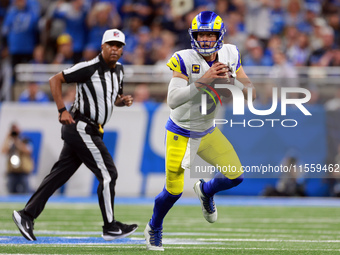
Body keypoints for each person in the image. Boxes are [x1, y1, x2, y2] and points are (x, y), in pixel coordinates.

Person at [144, 11, 256, 251]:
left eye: (209, 34)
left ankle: (206, 191)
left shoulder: (230, 53)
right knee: (173, 192)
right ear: (193, 36)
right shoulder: (184, 58)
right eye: (201, 35)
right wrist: (203, 81)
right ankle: (154, 227)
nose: (205, 40)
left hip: (206, 131)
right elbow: (173, 100)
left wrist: (234, 84)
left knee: (235, 176)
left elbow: (248, 90)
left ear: (220, 35)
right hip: (180, 131)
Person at [12, 28, 138, 242]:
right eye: (111, 45)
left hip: (91, 128)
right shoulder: (88, 67)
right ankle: (110, 226)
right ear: (102, 46)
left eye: (118, 46)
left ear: (123, 49)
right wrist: (61, 110)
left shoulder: (119, 71)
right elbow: (55, 79)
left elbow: (111, 97)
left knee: (59, 175)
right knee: (109, 174)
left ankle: (26, 215)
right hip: (81, 126)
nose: (115, 49)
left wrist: (121, 101)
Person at [1, 123, 34, 194]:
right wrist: (8, 137)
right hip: (12, 173)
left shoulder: (25, 140)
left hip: (23, 172)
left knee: (26, 192)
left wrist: (16, 140)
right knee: (11, 193)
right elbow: (3, 151)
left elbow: (28, 150)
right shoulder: (9, 142)